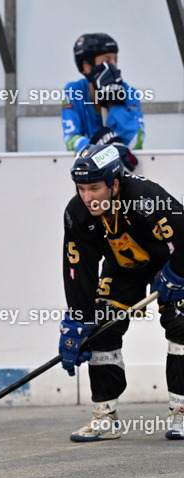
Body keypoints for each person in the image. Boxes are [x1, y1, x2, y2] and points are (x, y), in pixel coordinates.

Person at [58, 143, 184, 441]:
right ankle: (105, 416)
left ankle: (181, 412)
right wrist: (78, 320)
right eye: (80, 189)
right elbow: (79, 270)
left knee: (180, 323)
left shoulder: (146, 198)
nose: (86, 198)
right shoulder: (77, 214)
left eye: (94, 188)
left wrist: (176, 273)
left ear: (115, 183)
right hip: (123, 268)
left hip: (172, 264)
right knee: (100, 328)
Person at [61, 33, 144, 170]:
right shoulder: (74, 90)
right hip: (87, 174)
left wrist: (114, 104)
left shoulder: (129, 92)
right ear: (87, 67)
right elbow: (71, 140)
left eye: (115, 60)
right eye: (107, 60)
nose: (114, 66)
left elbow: (136, 142)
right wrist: (106, 152)